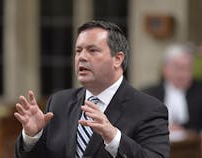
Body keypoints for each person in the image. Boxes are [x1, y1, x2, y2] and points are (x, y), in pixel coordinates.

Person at [14, 20, 169, 158]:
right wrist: (31, 137)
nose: (82, 57)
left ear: (117, 59)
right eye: (78, 51)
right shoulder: (59, 102)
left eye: (92, 50)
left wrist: (114, 137)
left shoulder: (149, 109)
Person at [142, 44, 202, 133]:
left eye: (188, 68)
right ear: (165, 69)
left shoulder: (200, 92)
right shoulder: (148, 94)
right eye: (178, 68)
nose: (184, 74)